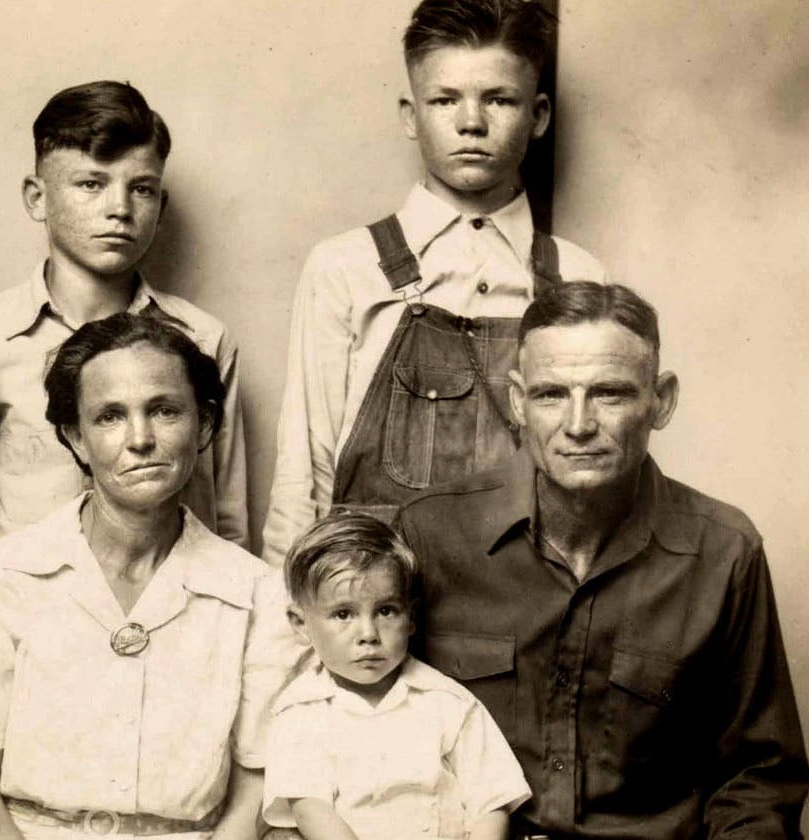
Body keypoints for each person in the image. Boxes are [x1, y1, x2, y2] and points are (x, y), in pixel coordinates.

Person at [394, 282, 809, 838]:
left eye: (609, 394)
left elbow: (759, 778)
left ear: (660, 401)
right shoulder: (430, 533)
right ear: (517, 403)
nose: (579, 424)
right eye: (550, 395)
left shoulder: (725, 551)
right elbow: (361, 725)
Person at [0, 313, 297, 840]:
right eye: (110, 417)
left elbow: (258, 782)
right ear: (75, 437)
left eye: (164, 411)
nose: (140, 439)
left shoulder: (263, 596)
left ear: (205, 424)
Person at [261, 0, 608, 565]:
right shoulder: (345, 267)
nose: (471, 122)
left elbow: (598, 484)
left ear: (539, 115)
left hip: (529, 602)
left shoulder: (580, 277)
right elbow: (305, 474)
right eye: (445, 99)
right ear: (409, 114)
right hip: (377, 613)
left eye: (499, 98)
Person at [0, 81, 248, 547]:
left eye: (142, 189)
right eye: (92, 184)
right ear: (37, 197)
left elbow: (228, 520)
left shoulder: (204, 338)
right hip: (26, 607)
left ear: (162, 205)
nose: (119, 209)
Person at [263, 511, 528, 840]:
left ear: (411, 616)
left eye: (386, 611)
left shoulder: (450, 703)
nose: (369, 634)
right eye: (343, 614)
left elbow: (492, 803)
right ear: (301, 623)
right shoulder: (300, 712)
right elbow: (312, 810)